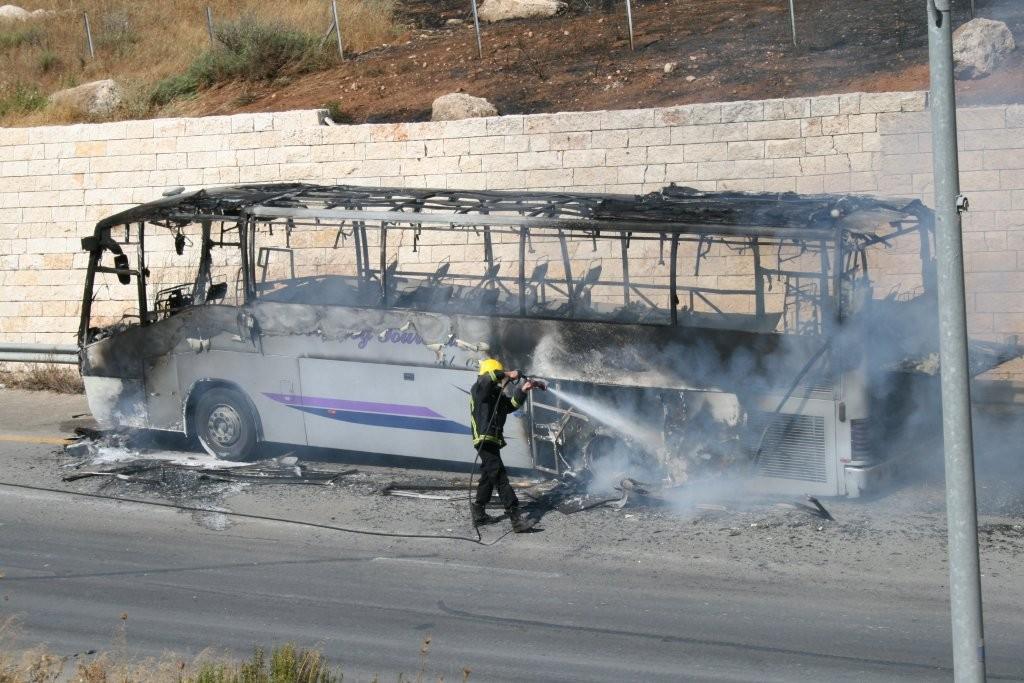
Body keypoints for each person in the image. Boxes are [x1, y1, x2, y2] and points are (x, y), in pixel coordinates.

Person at [470, 358, 543, 532]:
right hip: (484, 440)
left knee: (488, 476)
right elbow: (488, 379)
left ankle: (479, 512)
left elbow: (511, 406)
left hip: (492, 440)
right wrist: (509, 373)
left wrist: (523, 390)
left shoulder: (496, 394)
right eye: (499, 375)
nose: (502, 380)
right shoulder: (479, 388)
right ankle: (516, 519)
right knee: (501, 478)